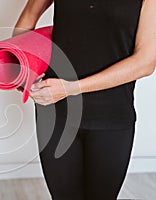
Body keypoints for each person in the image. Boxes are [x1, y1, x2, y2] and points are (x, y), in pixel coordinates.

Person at [12, 0, 155, 199]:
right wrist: (22, 67)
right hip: (55, 113)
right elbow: (28, 15)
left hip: (111, 116)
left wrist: (71, 88)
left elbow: (145, 63)